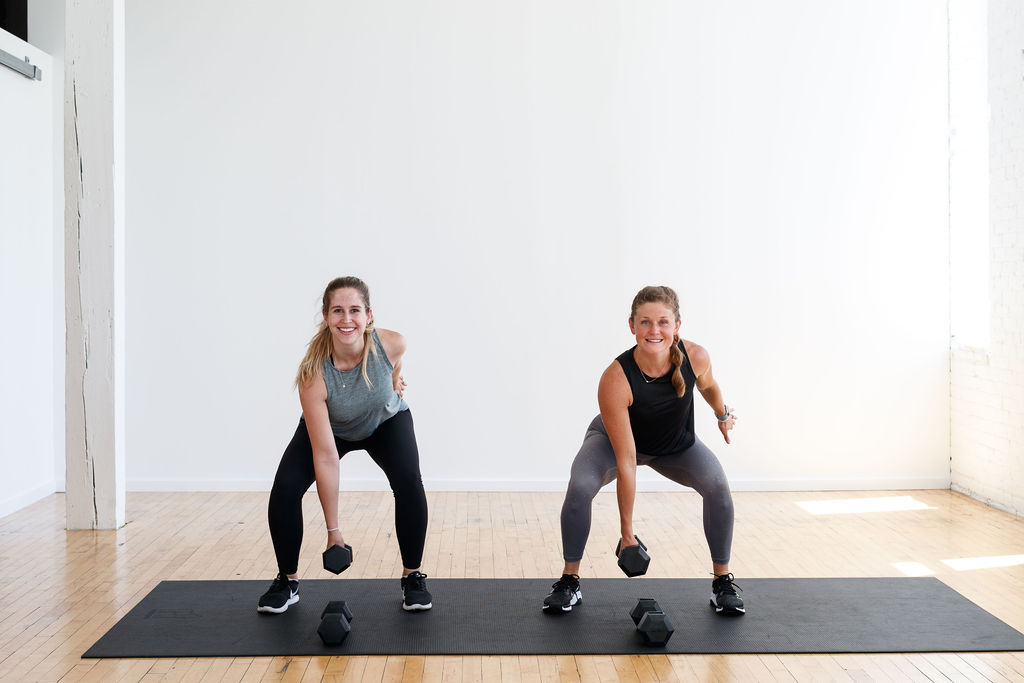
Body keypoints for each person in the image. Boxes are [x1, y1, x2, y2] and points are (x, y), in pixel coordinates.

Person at [542, 285, 744, 615]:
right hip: (614, 444)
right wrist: (627, 533)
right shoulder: (616, 378)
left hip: (675, 447)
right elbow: (626, 460)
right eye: (645, 322)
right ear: (632, 325)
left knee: (719, 487)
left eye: (663, 322)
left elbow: (708, 386)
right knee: (579, 487)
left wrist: (722, 414)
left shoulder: (696, 357)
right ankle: (569, 581)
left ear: (677, 326)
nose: (654, 331)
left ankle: (722, 584)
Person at [258, 276, 432, 613]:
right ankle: (287, 580)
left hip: (385, 422)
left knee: (409, 481)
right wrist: (333, 530)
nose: (346, 319)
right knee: (284, 489)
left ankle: (413, 576)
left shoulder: (392, 343)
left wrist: (394, 378)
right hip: (333, 430)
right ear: (326, 316)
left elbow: (395, 361)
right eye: (338, 311)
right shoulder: (314, 375)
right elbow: (326, 457)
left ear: (369, 315)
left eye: (354, 310)